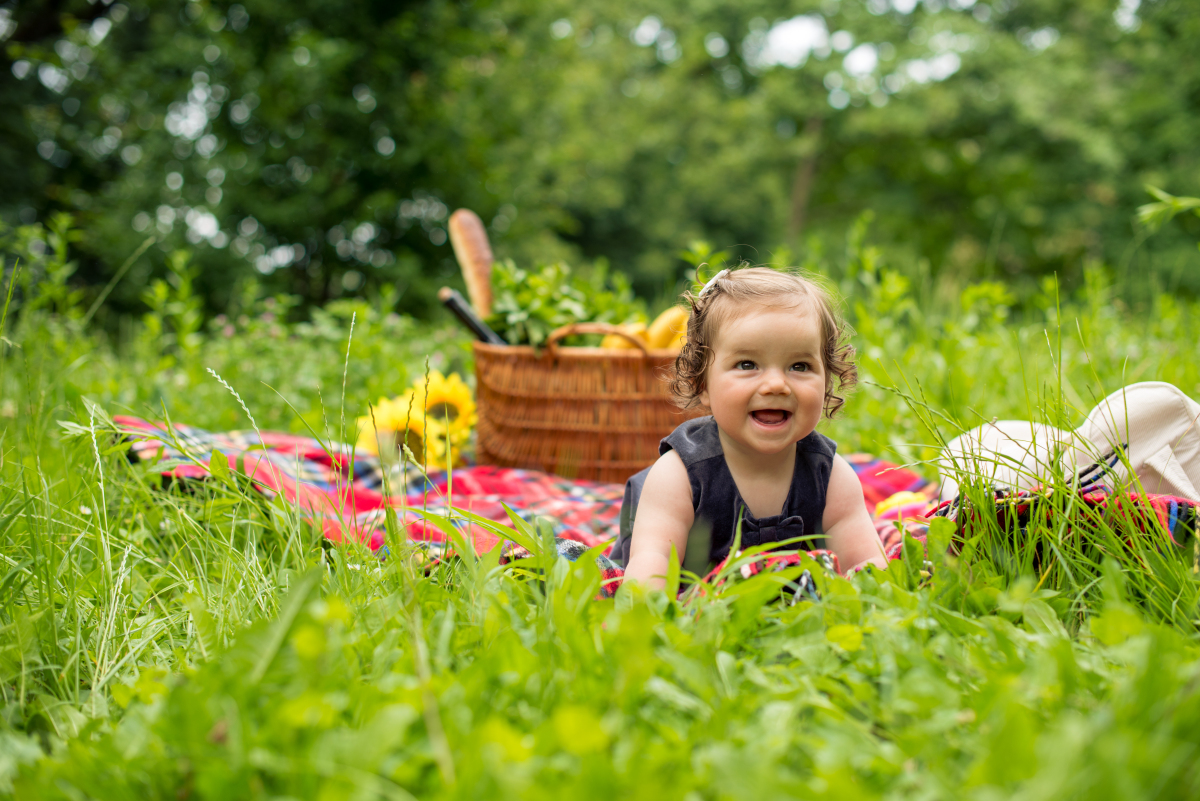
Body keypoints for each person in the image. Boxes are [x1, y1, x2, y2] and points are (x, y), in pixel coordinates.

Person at [611, 266, 889, 588]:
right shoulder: (679, 476)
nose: (776, 384)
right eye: (747, 364)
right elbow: (651, 567)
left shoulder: (829, 476)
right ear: (702, 383)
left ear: (827, 379)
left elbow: (867, 566)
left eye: (800, 366)